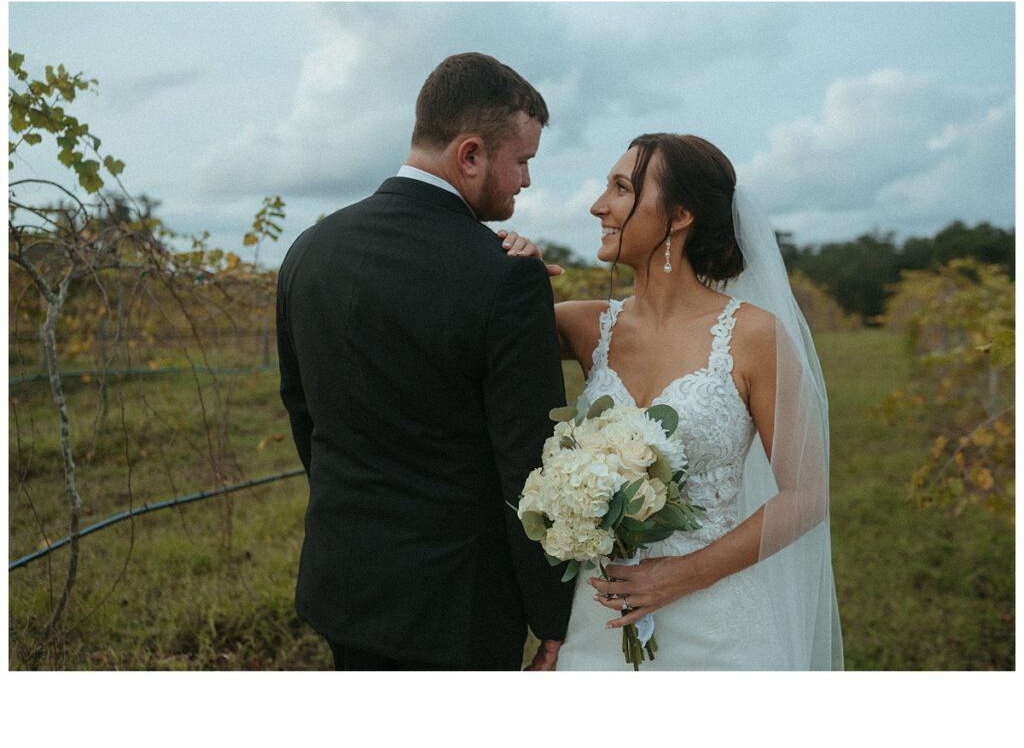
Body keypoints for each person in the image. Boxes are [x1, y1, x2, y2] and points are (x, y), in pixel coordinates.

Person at [276, 52, 574, 671]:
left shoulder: (308, 250)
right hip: (456, 608)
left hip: (342, 582)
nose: (525, 181)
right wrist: (554, 616)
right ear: (470, 155)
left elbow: (305, 415)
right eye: (522, 162)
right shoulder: (506, 280)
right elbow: (530, 466)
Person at [501, 133, 843, 669]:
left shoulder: (754, 336)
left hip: (716, 624)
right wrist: (508, 273)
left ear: (679, 214)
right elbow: (481, 330)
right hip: (600, 621)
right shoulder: (588, 327)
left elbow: (805, 496)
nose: (598, 205)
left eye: (620, 188)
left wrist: (679, 576)